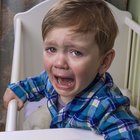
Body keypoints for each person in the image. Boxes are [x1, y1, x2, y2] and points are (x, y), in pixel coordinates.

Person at [3, 0, 140, 139]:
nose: (59, 63)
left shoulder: (105, 107)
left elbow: (128, 134)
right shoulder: (53, 79)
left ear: (104, 61)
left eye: (76, 52)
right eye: (51, 49)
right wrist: (19, 89)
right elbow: (38, 82)